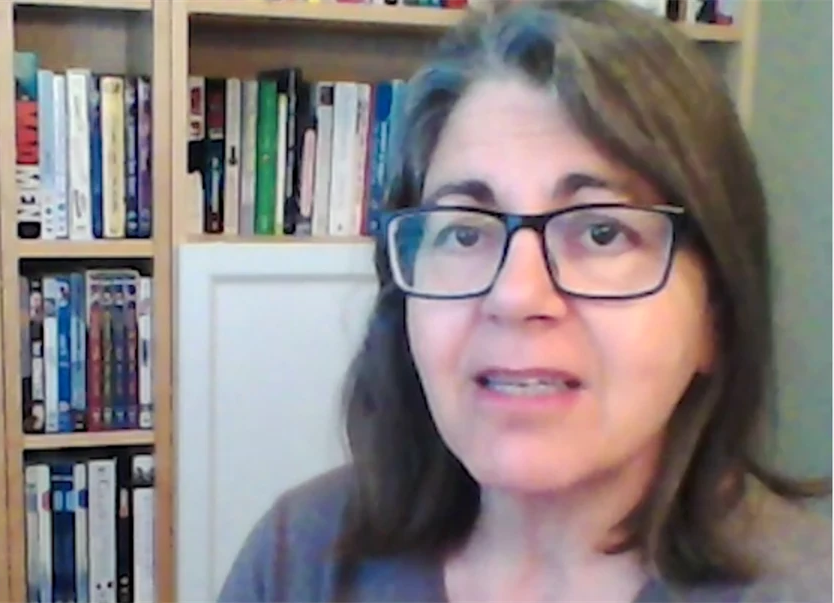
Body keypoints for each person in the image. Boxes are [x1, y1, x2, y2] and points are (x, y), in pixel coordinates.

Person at [217, 0, 832, 602]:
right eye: (464, 233)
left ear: (714, 317)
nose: (514, 295)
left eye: (601, 232)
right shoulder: (298, 559)